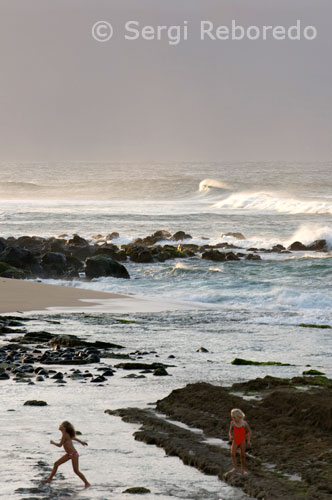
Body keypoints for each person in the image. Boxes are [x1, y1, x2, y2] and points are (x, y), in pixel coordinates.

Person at [42, 421, 91, 487]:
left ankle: (87, 483)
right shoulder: (66, 434)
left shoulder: (65, 435)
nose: (59, 425)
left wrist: (53, 443)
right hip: (69, 454)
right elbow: (74, 438)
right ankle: (49, 479)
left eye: (61, 424)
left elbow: (60, 445)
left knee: (76, 471)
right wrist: (81, 442)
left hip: (73, 454)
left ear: (64, 427)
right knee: (56, 464)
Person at [228, 408, 252, 475]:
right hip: (235, 440)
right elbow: (230, 431)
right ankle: (235, 468)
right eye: (232, 417)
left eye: (234, 417)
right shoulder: (232, 423)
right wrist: (230, 436)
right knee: (232, 454)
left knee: (243, 455)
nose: (233, 419)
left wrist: (249, 440)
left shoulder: (244, 423)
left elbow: (249, 431)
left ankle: (243, 470)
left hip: (242, 440)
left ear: (239, 416)